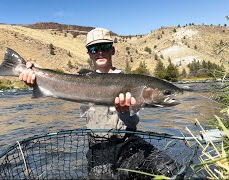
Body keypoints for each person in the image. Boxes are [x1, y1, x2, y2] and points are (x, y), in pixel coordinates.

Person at [19, 28, 180, 179]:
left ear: (113, 50)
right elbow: (55, 77)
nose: (100, 52)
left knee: (168, 169)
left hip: (127, 143)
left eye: (104, 46)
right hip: (99, 147)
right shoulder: (81, 79)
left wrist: (125, 111)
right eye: (94, 49)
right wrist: (34, 73)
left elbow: (133, 119)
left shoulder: (130, 80)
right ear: (89, 54)